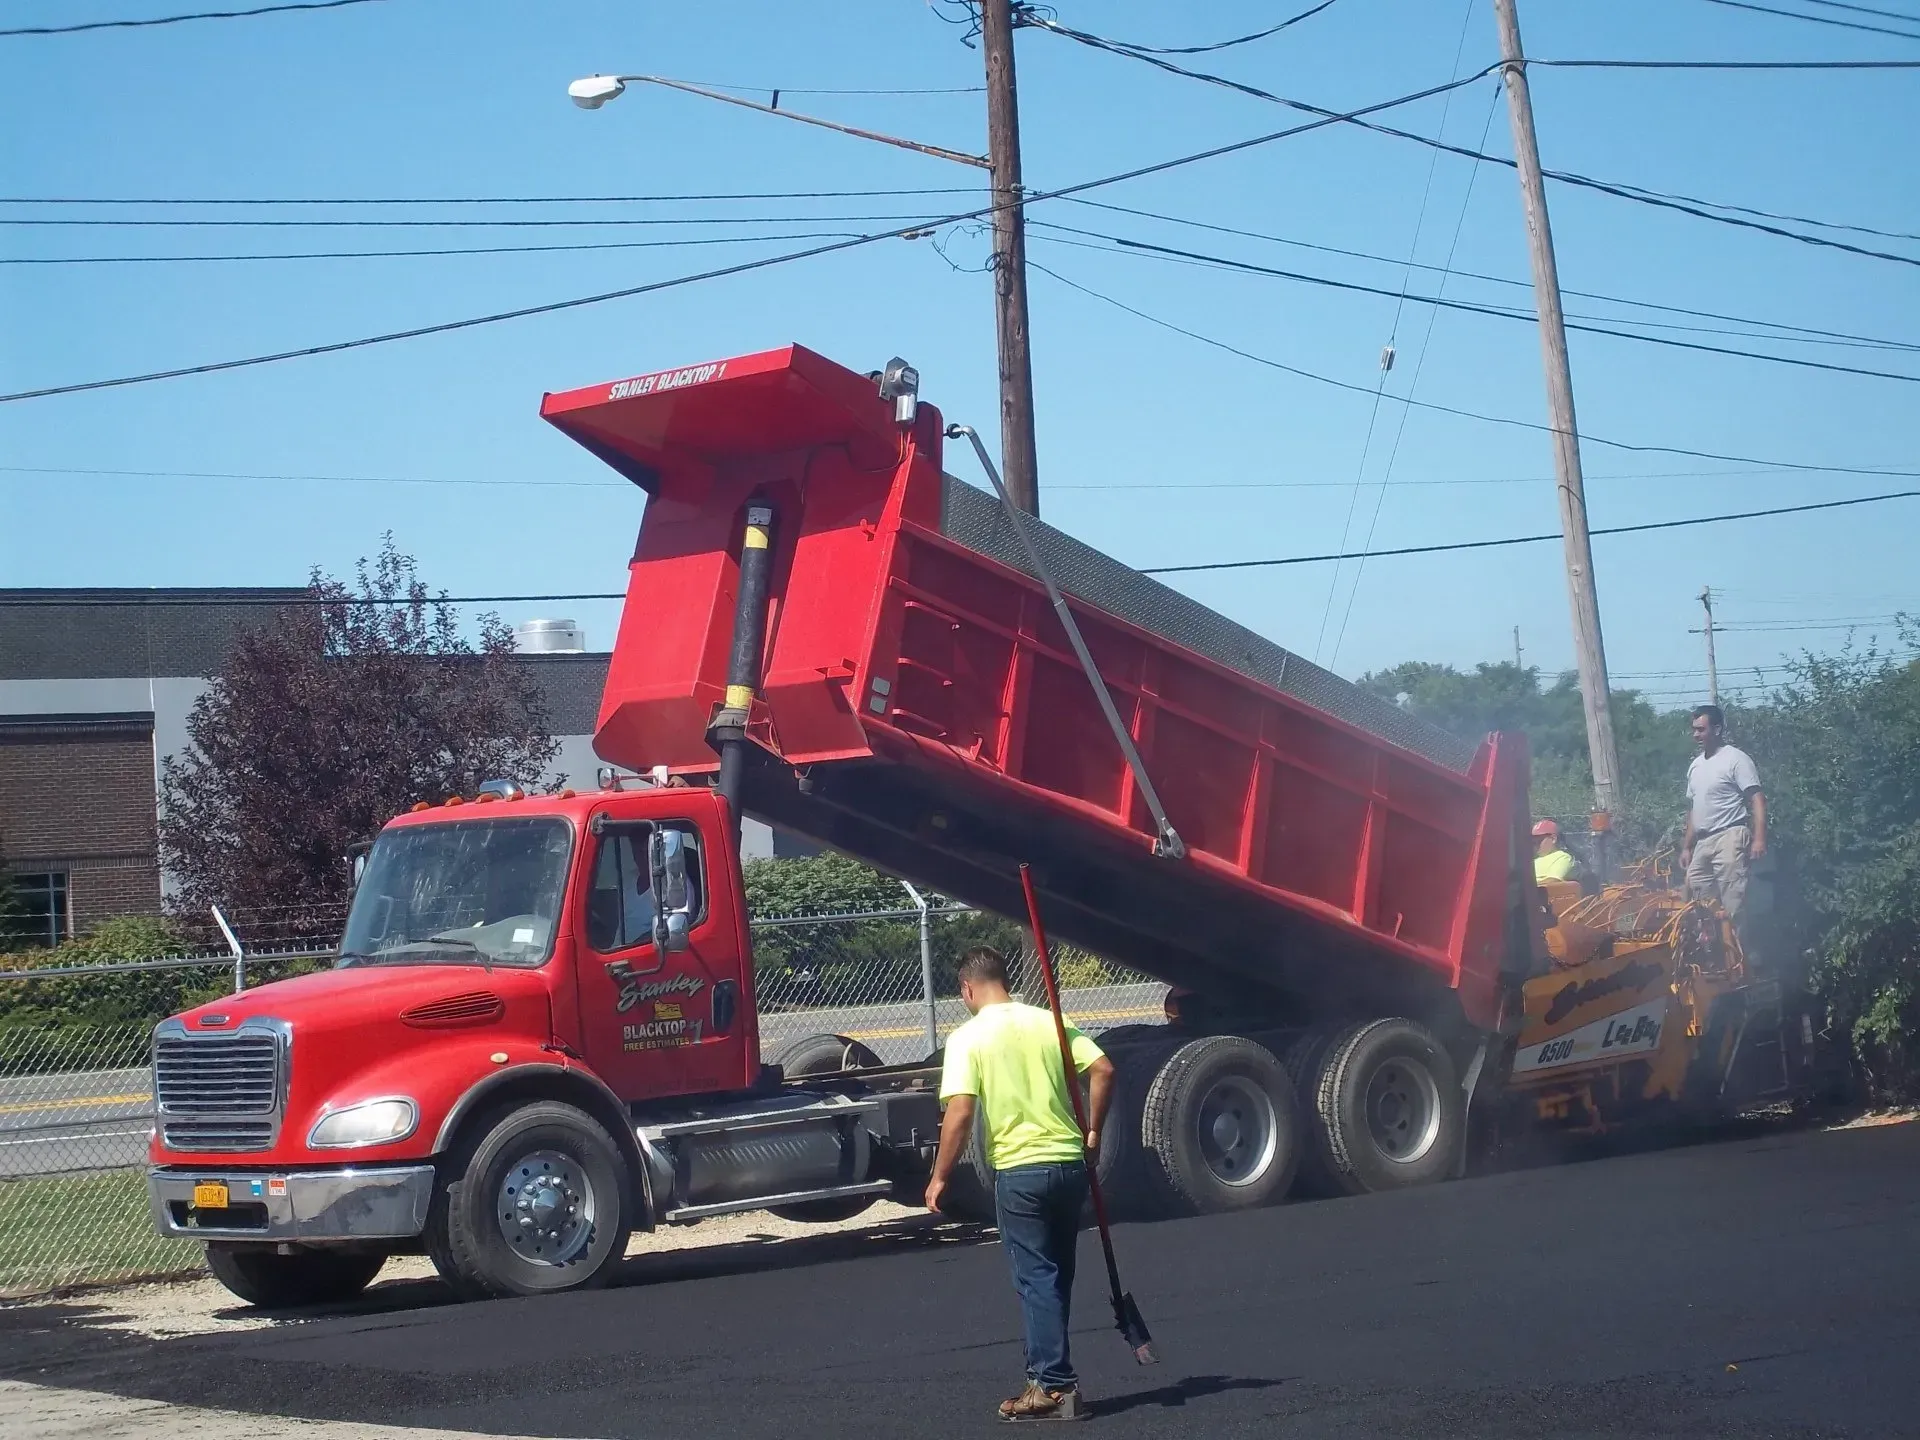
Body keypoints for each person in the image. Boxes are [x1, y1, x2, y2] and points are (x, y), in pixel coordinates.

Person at [926, 946, 1116, 1423]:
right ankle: (1046, 1378)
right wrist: (1092, 1130)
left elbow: (961, 1112)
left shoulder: (968, 1038)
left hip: (1021, 1170)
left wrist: (940, 1176)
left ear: (967, 989)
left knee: (1035, 1277)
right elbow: (1103, 1069)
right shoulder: (1047, 1020)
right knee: (1055, 1275)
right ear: (1004, 980)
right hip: (1070, 1164)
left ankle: (1053, 1385)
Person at [1681, 704, 1766, 922]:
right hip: (1703, 841)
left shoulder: (1736, 759)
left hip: (1729, 836)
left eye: (1701, 729)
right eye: (1694, 730)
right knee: (1698, 902)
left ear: (1717, 729)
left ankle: (1739, 952)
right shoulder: (1696, 766)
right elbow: (1694, 810)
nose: (1696, 735)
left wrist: (1759, 839)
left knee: (1733, 904)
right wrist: (1687, 847)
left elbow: (1757, 799)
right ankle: (1711, 952)